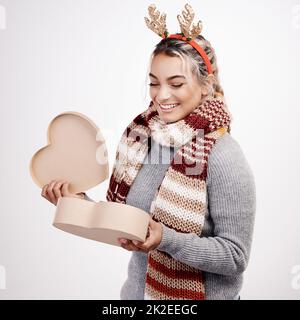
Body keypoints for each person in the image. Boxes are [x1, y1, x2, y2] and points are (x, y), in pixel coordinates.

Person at [41, 3, 256, 300]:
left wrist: (166, 240)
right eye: (154, 83)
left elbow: (235, 257)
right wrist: (77, 203)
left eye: (176, 83)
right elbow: (130, 228)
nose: (161, 95)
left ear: (206, 86)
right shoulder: (141, 139)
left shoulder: (223, 156)